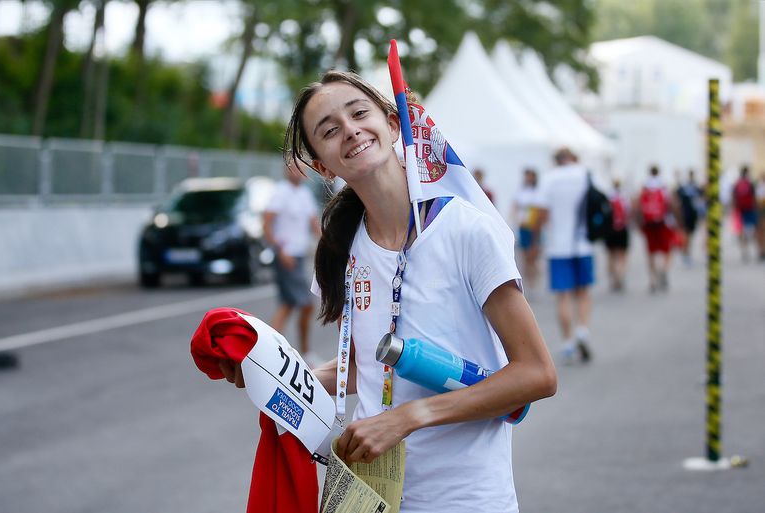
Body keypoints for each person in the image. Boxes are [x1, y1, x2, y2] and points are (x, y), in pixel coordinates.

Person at [219, 71, 556, 513]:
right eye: (329, 130)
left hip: (466, 498)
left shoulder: (467, 230)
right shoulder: (340, 246)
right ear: (322, 165)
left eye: (359, 113)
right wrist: (275, 376)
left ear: (393, 125)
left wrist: (407, 419)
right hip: (367, 494)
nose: (350, 130)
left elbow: (536, 374)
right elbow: (363, 369)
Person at [536, 147, 594, 364]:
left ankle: (568, 342)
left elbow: (541, 213)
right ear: (573, 157)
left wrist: (537, 241)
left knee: (563, 296)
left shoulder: (549, 179)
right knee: (583, 293)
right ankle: (582, 329)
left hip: (557, 246)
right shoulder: (585, 174)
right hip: (582, 243)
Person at [263, 160, 321, 365]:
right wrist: (280, 250)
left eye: (302, 167)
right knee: (299, 304)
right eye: (295, 167)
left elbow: (313, 223)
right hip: (286, 256)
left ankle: (293, 352)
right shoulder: (281, 192)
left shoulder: (304, 195)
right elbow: (266, 224)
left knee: (293, 304)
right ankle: (270, 353)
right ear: (287, 170)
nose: (300, 171)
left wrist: (327, 245)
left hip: (298, 256)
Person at [637, 165, 674, 293]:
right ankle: (663, 269)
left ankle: (652, 278)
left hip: (649, 224)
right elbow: (671, 204)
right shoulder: (663, 186)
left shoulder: (644, 187)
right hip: (662, 223)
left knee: (651, 252)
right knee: (666, 250)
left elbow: (637, 205)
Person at [511, 168, 541, 290]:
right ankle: (529, 281)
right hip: (523, 225)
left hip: (535, 226)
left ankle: (533, 279)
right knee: (524, 256)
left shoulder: (538, 191)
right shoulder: (521, 191)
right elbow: (515, 207)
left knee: (533, 255)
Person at [604, 179, 630, 291]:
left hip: (609, 229)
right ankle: (620, 275)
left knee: (611, 255)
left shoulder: (608, 197)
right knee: (622, 255)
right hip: (622, 229)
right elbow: (629, 212)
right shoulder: (624, 197)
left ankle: (613, 278)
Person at [675, 169, 704, 266]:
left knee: (688, 236)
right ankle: (686, 254)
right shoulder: (695, 188)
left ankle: (686, 254)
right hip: (689, 215)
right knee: (687, 236)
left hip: (687, 215)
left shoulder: (685, 188)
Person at [732, 165, 758, 262]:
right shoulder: (750, 183)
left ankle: (744, 250)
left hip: (740, 210)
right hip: (750, 209)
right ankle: (755, 249)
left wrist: (734, 210)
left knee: (741, 231)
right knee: (753, 230)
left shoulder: (737, 184)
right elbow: (754, 197)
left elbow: (733, 198)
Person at [755, 173, 765, 261]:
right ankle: (761, 251)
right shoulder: (760, 187)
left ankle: (761, 250)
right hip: (761, 212)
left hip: (760, 212)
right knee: (761, 232)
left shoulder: (760, 187)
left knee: (760, 232)